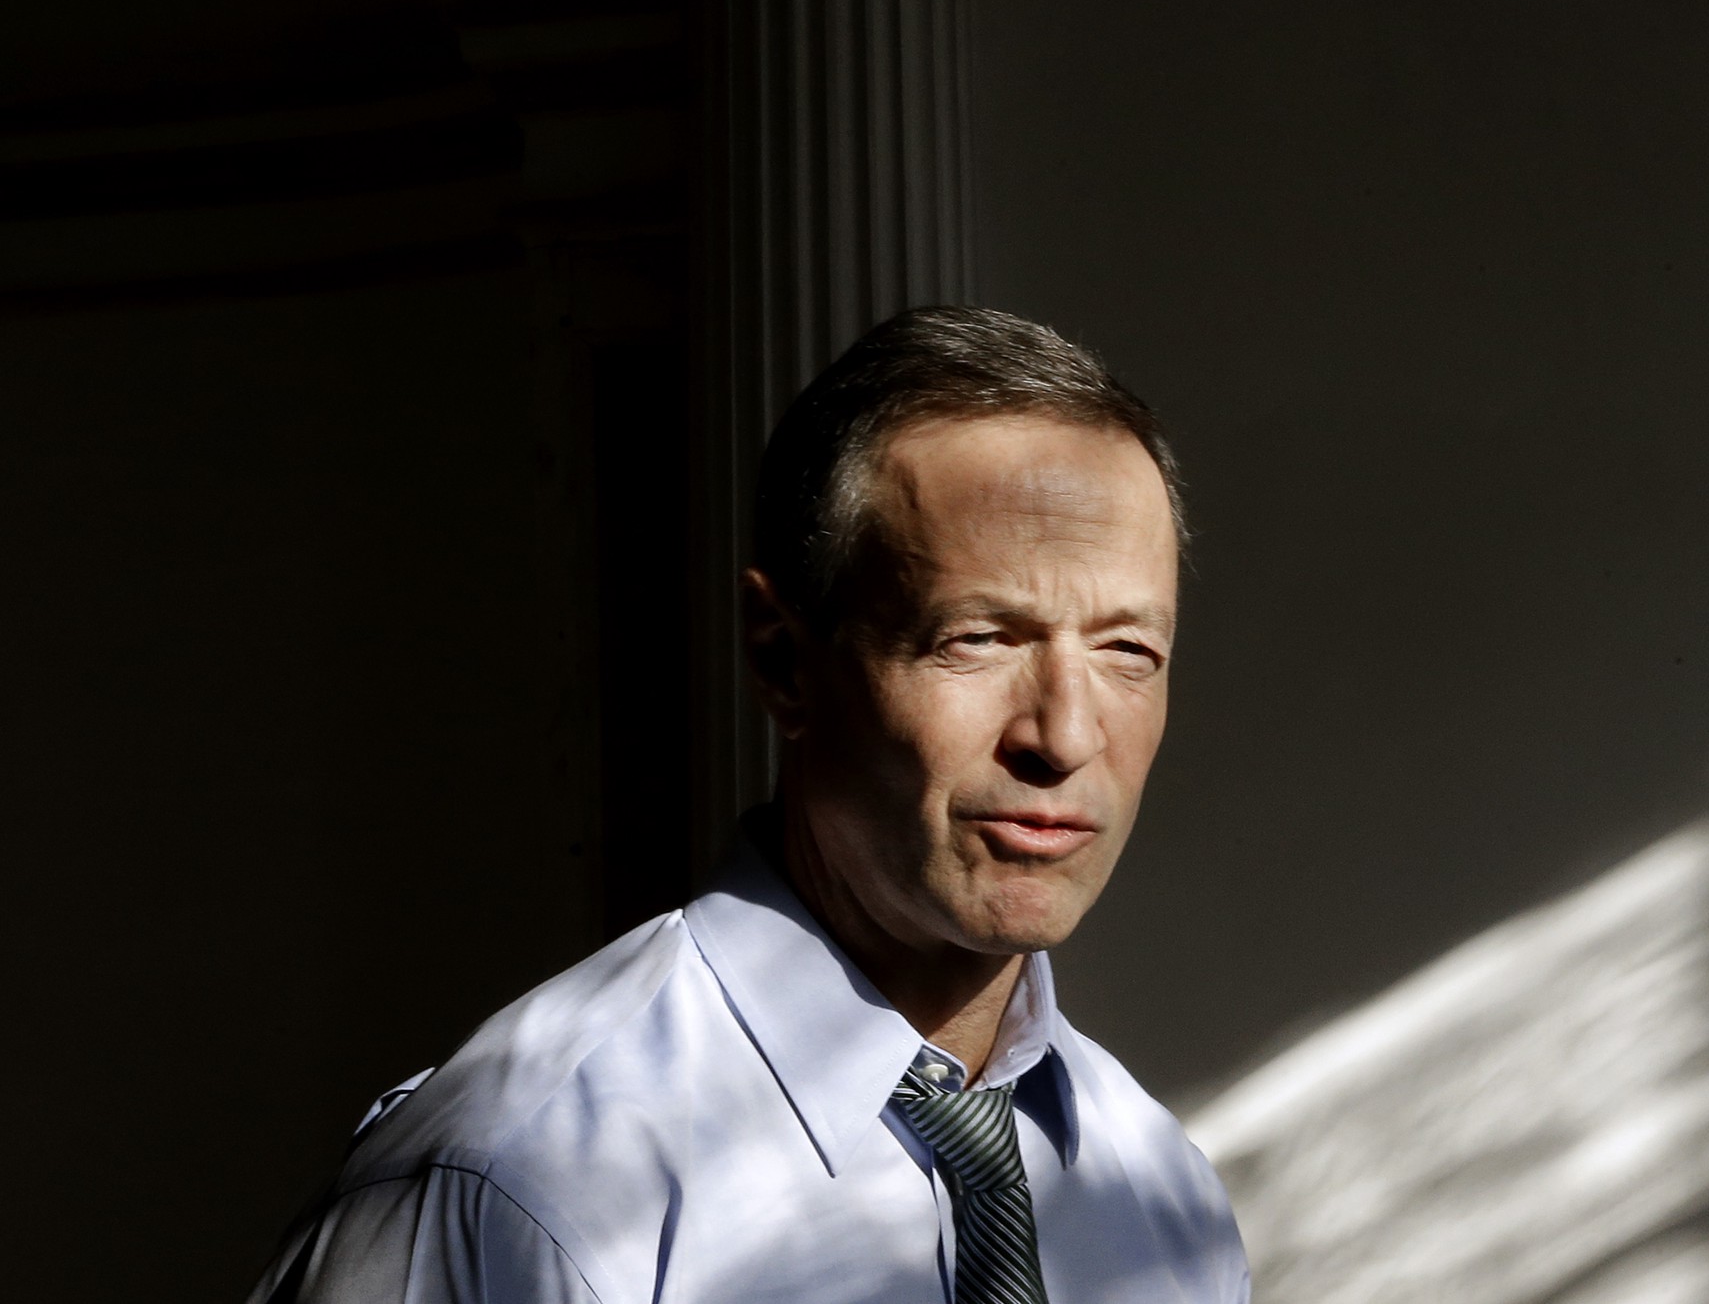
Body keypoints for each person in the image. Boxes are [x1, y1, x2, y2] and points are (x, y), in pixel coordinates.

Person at [248, 306, 1250, 1303]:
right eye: (976, 639)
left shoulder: (1163, 1199)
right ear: (780, 660)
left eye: (1128, 653)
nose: (1065, 736)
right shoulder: (514, 1183)